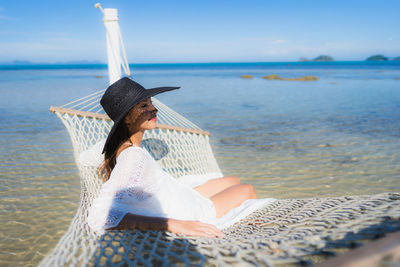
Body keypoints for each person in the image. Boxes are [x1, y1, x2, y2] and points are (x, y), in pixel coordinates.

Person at [87, 77, 258, 238]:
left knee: (233, 180)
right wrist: (174, 224)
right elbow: (99, 215)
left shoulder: (124, 146)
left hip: (180, 194)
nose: (154, 109)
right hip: (189, 212)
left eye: (151, 103)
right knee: (247, 189)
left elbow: (87, 158)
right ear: (126, 119)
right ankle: (262, 244)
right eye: (143, 106)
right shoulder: (133, 156)